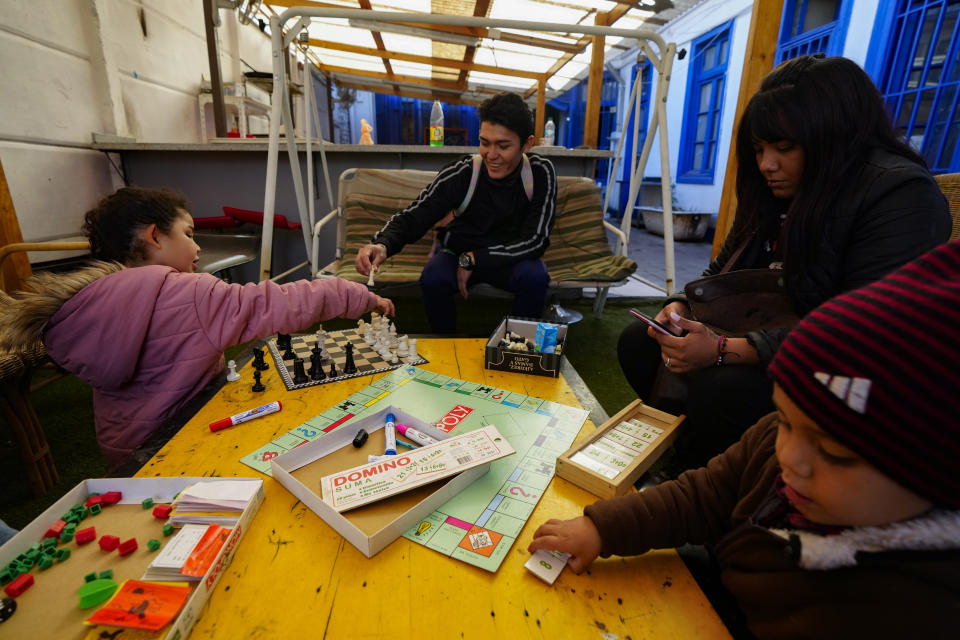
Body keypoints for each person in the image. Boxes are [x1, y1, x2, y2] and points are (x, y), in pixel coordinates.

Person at [530, 239, 960, 639]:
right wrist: (603, 528)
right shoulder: (778, 443)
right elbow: (705, 493)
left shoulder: (918, 607)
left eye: (834, 453)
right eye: (786, 420)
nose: (789, 456)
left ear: (935, 473)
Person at [618, 55, 950, 471]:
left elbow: (866, 331)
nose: (766, 165)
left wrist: (723, 350)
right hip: (771, 337)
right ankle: (691, 465)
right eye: (758, 149)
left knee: (723, 388)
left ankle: (716, 493)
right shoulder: (775, 190)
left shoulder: (900, 196)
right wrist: (681, 307)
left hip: (852, 372)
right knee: (639, 340)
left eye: (784, 147)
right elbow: (723, 271)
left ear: (835, 135)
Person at [0, 187, 394, 467]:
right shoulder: (188, 294)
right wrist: (361, 297)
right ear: (154, 235)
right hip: (181, 442)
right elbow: (280, 302)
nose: (198, 247)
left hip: (123, 453)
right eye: (189, 234)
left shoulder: (86, 303)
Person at [355, 92, 557, 333]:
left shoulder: (540, 173)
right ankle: (445, 345)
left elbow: (536, 240)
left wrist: (475, 258)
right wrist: (382, 245)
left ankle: (519, 348)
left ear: (527, 144)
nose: (491, 155)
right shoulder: (463, 172)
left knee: (535, 276)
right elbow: (416, 215)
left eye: (503, 146)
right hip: (457, 253)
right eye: (484, 143)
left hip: (510, 259)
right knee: (433, 278)